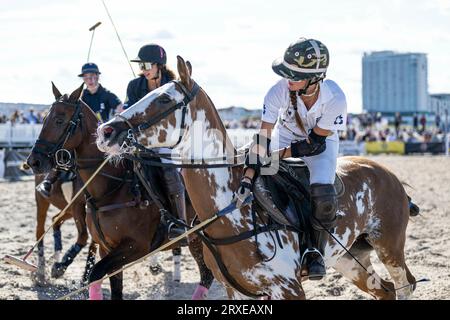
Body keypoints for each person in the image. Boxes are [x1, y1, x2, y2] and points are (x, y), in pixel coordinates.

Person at [233, 38, 347, 280]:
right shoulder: (278, 91)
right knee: (250, 164)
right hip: (283, 135)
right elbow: (262, 138)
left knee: (323, 194)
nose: (288, 78)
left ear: (315, 78)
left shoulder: (335, 98)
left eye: (294, 75)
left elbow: (313, 145)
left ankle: (315, 251)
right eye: (287, 73)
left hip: (321, 145)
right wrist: (247, 177)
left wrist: (274, 157)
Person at [125, 44, 187, 240]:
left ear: (158, 65)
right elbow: (128, 110)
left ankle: (180, 223)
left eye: (145, 65)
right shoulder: (134, 86)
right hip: (140, 140)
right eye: (140, 65)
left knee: (168, 169)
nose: (142, 70)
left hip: (168, 139)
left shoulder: (173, 85)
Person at [36, 63, 123, 198]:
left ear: (98, 77)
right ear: (83, 79)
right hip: (84, 136)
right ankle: (49, 180)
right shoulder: (81, 98)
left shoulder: (107, 95)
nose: (91, 80)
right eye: (87, 78)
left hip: (103, 137)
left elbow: (120, 107)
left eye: (93, 77)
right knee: (65, 147)